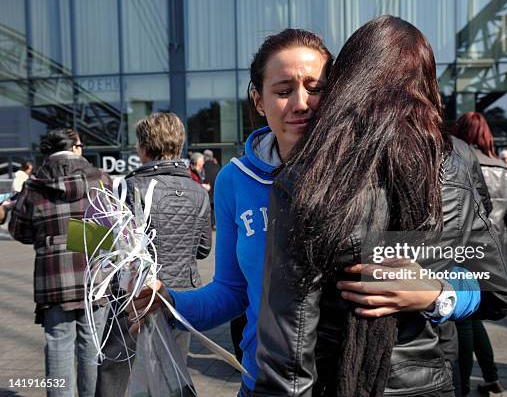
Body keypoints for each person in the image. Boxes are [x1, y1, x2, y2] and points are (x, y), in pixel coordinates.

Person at [128, 27, 484, 396]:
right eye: (283, 91)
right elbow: (234, 291)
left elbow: (475, 278)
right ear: (258, 100)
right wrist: (171, 304)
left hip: (347, 382)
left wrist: (438, 294)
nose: (301, 103)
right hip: (266, 383)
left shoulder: (371, 172)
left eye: (316, 89)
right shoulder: (235, 179)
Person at [254, 16, 507, 396]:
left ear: (347, 80)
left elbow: (291, 337)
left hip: (336, 381)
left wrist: (432, 292)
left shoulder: (311, 172)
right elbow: (495, 291)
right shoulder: (454, 159)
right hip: (429, 384)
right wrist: (438, 294)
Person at [95, 113, 212, 396]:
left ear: (144, 148)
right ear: (179, 146)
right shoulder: (199, 191)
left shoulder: (128, 188)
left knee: (122, 378)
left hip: (134, 298)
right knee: (170, 378)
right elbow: (203, 249)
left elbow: (106, 245)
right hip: (180, 298)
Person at [9, 128, 111, 397]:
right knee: (92, 347)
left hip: (54, 278)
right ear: (76, 147)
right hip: (95, 278)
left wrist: (53, 239)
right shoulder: (101, 179)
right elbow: (114, 225)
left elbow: (19, 230)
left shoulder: (33, 185)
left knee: (58, 345)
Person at [452, 113, 507, 396]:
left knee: (464, 322)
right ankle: (491, 377)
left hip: (463, 251)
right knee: (474, 318)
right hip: (492, 250)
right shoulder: (504, 169)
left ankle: (462, 386)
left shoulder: (459, 161)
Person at [203, 149, 220, 230]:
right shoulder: (217, 165)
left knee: (208, 209)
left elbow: (204, 178)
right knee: (214, 208)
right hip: (216, 190)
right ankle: (215, 224)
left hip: (207, 190)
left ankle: (210, 224)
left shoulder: (204, 166)